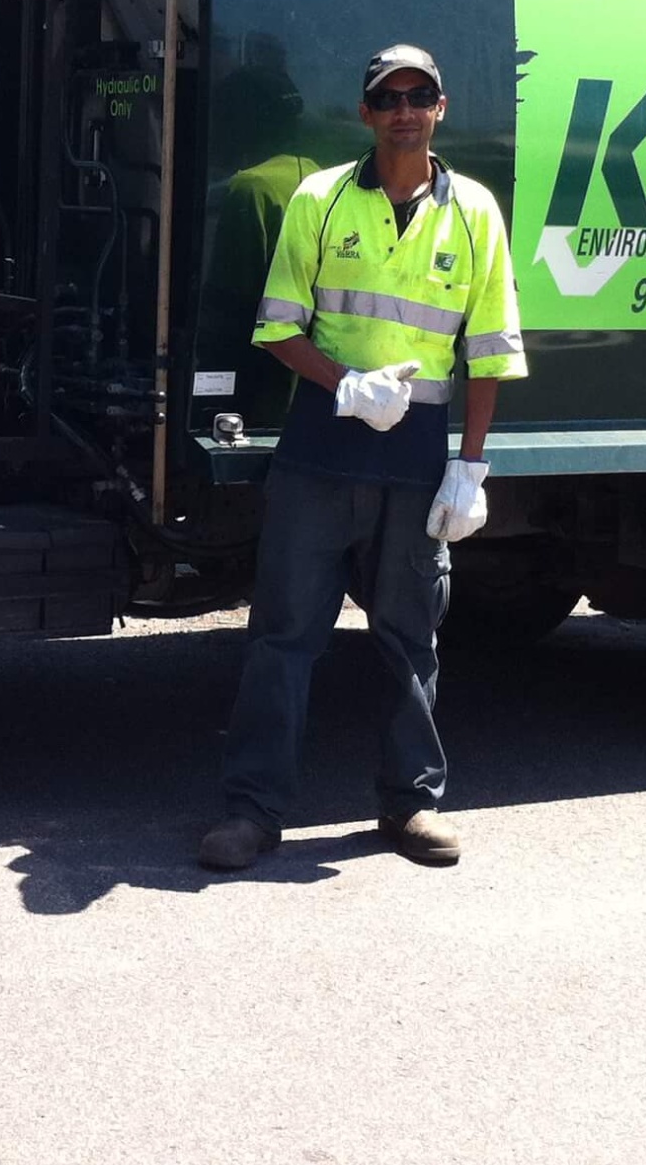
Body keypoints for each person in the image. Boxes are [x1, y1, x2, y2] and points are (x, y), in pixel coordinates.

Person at [199, 44, 528, 873]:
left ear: (442, 108)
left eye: (420, 96)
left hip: (418, 459)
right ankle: (252, 812)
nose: (405, 111)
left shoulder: (476, 212)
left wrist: (471, 469)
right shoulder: (320, 200)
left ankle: (412, 805)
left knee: (408, 640)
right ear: (367, 113)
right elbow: (277, 326)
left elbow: (488, 353)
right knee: (283, 638)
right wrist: (346, 385)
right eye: (390, 98)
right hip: (321, 448)